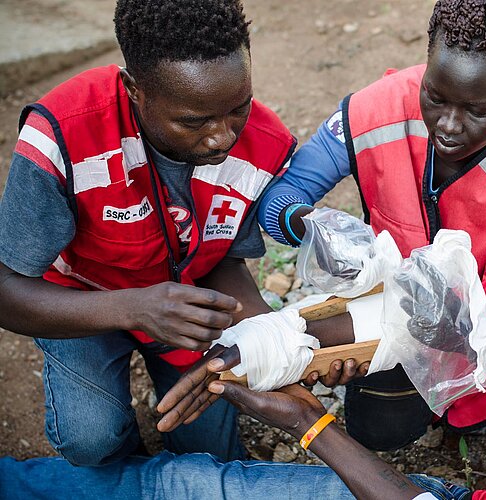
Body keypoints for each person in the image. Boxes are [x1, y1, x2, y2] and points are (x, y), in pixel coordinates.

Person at [3, 156, 486, 499]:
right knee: (185, 481)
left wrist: (310, 425)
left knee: (186, 486)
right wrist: (284, 346)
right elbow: (454, 309)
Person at [158, 0, 486, 470]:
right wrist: (307, 226)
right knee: (377, 430)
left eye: (478, 111)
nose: (449, 125)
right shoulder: (376, 108)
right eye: (435, 96)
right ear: (428, 62)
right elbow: (286, 193)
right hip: (396, 321)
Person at [0, 0, 298, 465]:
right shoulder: (62, 134)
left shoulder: (265, 144)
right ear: (134, 89)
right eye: (194, 121)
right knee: (93, 441)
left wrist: (267, 333)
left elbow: (224, 256)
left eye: (238, 107)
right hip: (78, 303)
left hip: (183, 305)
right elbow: (7, 290)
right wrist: (133, 308)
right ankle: (126, 462)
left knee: (209, 453)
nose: (222, 137)